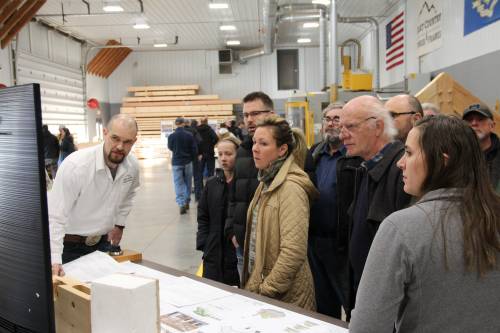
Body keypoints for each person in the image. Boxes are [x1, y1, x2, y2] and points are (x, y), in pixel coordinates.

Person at [350, 115, 500, 332]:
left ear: (442, 160)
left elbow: (368, 326)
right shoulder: (492, 215)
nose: (400, 163)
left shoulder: (401, 228)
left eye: (409, 153)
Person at [337, 95, 412, 315]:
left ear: (377, 126)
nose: (342, 135)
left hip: (387, 305)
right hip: (367, 296)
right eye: (341, 127)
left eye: (350, 126)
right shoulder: (366, 168)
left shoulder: (401, 173)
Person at [241, 116, 318, 310]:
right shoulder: (266, 180)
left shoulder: (291, 188)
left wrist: (266, 289)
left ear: (282, 149)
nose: (255, 149)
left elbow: (293, 251)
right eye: (254, 142)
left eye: (263, 143)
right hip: (263, 290)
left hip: (284, 297)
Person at [49, 114, 140, 276]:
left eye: (127, 142)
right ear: (105, 133)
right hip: (68, 248)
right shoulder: (76, 166)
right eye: (115, 138)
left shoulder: (132, 166)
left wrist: (119, 224)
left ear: (134, 141)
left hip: (102, 245)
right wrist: (54, 258)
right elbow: (55, 216)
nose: (120, 146)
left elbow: (129, 195)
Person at [224, 91, 275, 280]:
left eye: (255, 114)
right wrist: (232, 231)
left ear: (270, 114)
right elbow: (234, 196)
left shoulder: (288, 150)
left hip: (272, 248)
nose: (249, 120)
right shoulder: (243, 151)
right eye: (245, 115)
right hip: (243, 245)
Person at [307, 103, 346, 319]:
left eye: (337, 118)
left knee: (350, 302)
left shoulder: (352, 155)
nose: (331, 123)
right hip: (315, 242)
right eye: (327, 119)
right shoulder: (314, 153)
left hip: (341, 245)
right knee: (323, 304)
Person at [196, 135, 241, 286]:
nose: (223, 158)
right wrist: (204, 243)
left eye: (228, 154)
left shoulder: (243, 185)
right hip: (212, 252)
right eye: (220, 154)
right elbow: (203, 216)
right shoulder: (211, 184)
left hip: (234, 253)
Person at [462, 103, 499, 189]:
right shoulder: (456, 155)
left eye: (480, 119)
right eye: (469, 120)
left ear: (492, 126)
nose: (474, 123)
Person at [168, 117, 198, 214]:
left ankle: (181, 203)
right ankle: (187, 201)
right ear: (183, 123)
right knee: (188, 182)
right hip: (187, 161)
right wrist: (194, 159)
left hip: (176, 162)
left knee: (178, 183)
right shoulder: (189, 135)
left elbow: (170, 147)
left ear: (176, 124)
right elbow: (194, 149)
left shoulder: (171, 136)